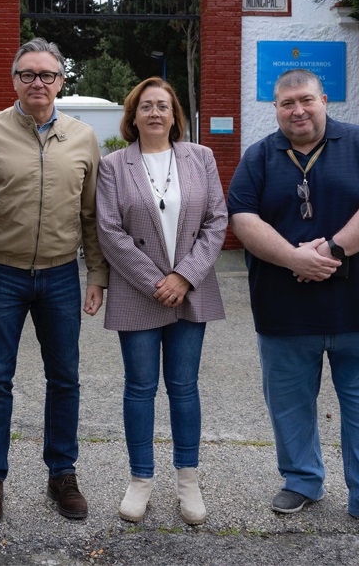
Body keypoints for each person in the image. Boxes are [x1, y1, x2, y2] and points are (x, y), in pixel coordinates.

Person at [226, 69, 359, 541]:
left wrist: (332, 250)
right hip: (286, 314)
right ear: (275, 108)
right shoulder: (259, 157)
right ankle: (302, 481)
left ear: (324, 100)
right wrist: (293, 258)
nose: (298, 110)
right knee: (289, 407)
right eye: (287, 103)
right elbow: (242, 218)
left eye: (306, 100)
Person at [0, 37, 109, 527]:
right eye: (28, 74)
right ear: (14, 80)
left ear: (61, 81)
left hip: (61, 275)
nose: (38, 82)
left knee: (65, 377)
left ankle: (62, 474)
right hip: (0, 274)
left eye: (47, 75)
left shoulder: (83, 137)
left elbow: (91, 214)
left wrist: (97, 273)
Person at [95, 77, 227, 525]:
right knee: (140, 387)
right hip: (139, 290)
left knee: (184, 387)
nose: (155, 113)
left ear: (175, 116)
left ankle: (188, 481)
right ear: (132, 117)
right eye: (146, 106)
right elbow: (109, 231)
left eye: (163, 106)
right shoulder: (113, 165)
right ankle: (141, 480)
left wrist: (184, 277)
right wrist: (158, 281)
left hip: (190, 289)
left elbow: (216, 221)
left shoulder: (201, 157)